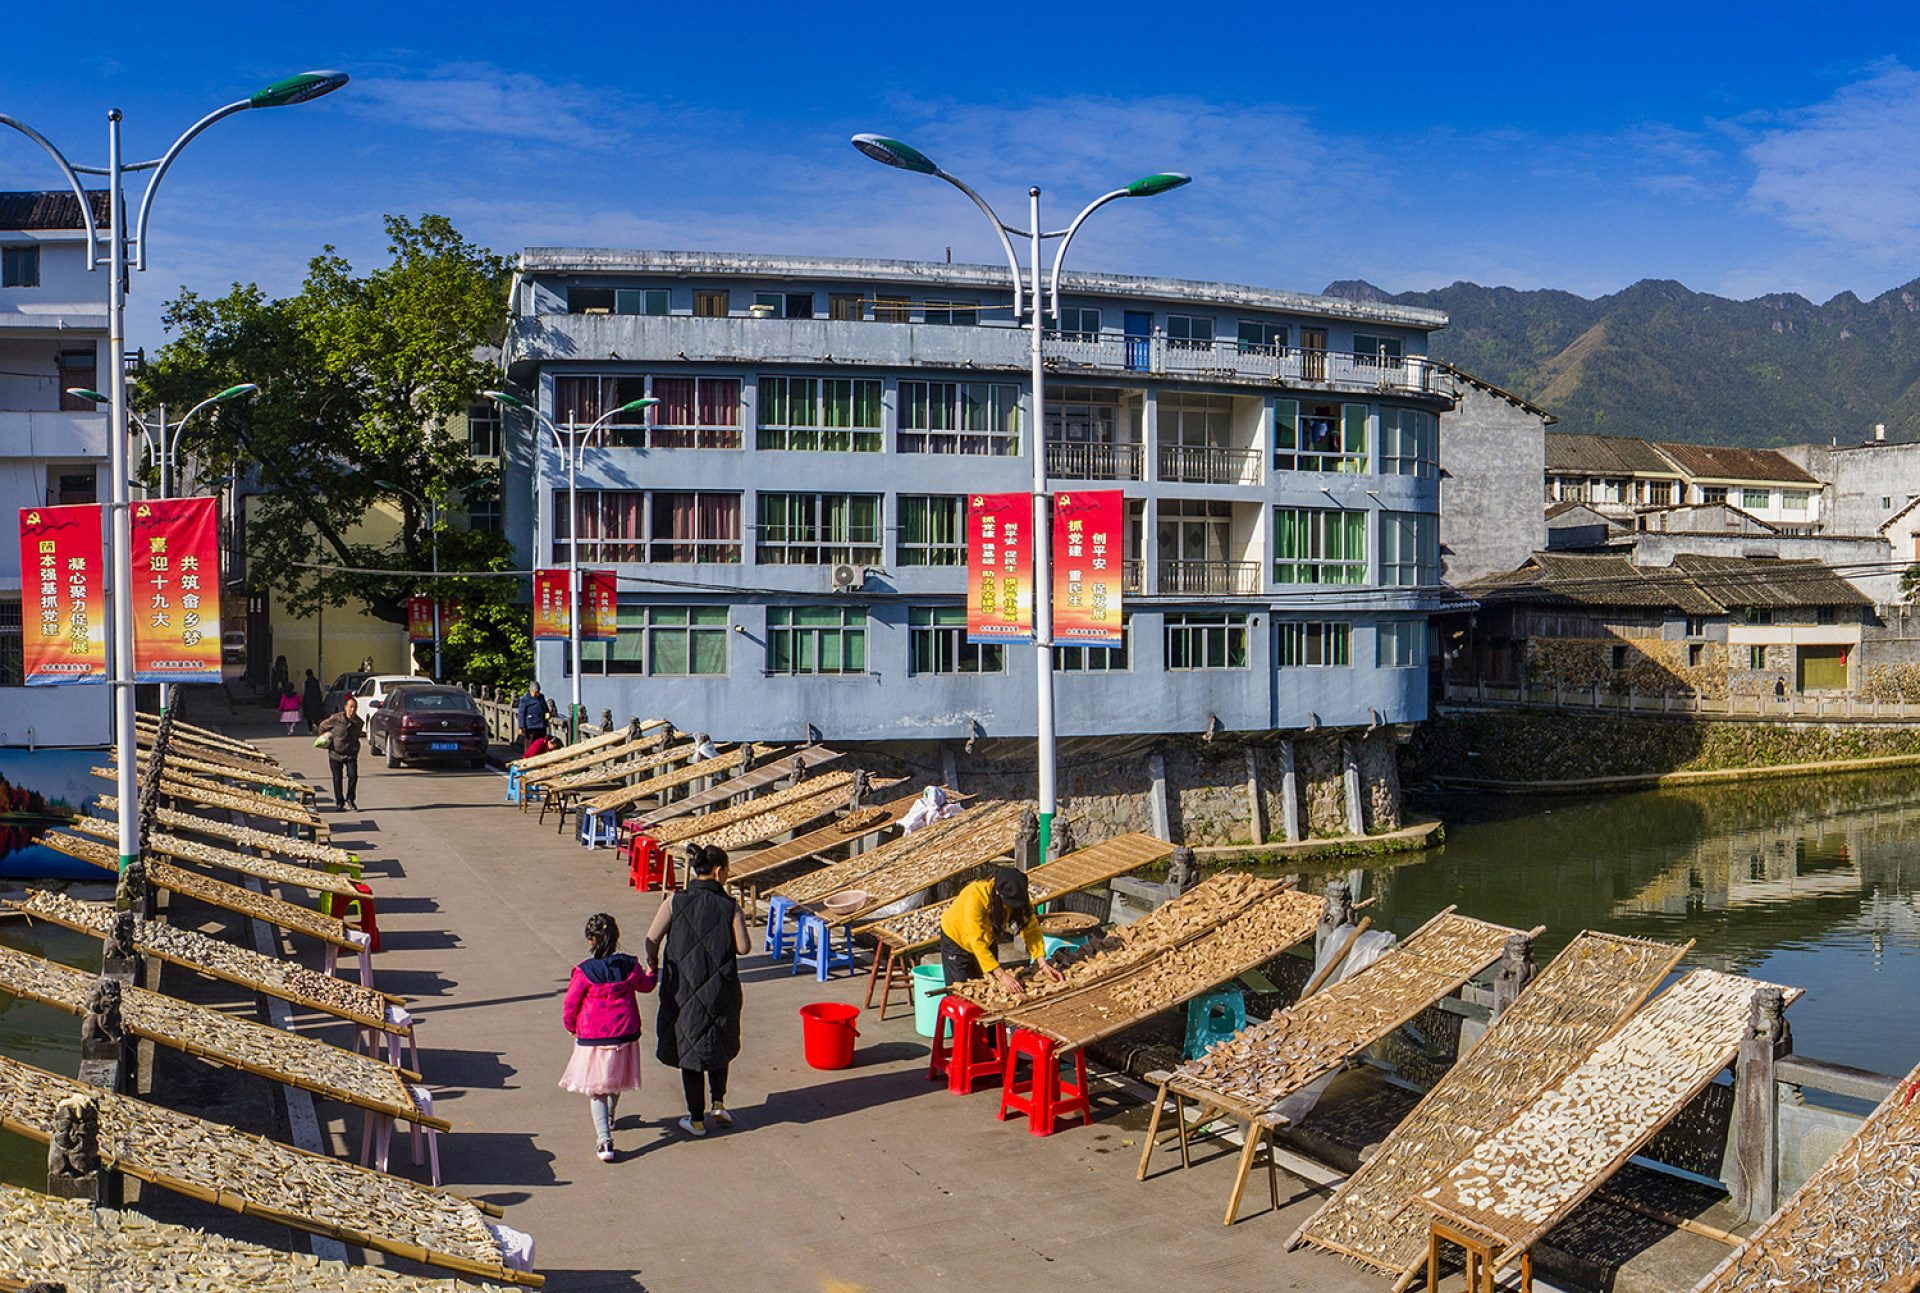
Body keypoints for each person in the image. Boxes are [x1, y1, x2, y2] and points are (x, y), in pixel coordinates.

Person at [647, 844, 749, 1137]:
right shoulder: (730, 906)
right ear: (718, 872)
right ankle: (718, 1102)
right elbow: (743, 947)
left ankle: (696, 1120)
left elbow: (652, 938)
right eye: (727, 871)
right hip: (720, 988)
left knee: (690, 1050)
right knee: (718, 1040)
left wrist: (653, 964)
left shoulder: (674, 901)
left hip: (682, 989)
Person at [560, 912, 655, 1163]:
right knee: (616, 1077)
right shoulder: (629, 964)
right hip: (625, 1033)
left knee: (597, 1090)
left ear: (590, 940)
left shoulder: (584, 971)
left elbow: (571, 1003)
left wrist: (571, 1026)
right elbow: (646, 986)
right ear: (616, 937)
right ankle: (610, 1116)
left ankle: (604, 1139)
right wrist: (653, 969)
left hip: (594, 1037)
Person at [939, 866, 1066, 996]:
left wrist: (1042, 963)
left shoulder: (1018, 895)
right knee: (960, 991)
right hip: (956, 940)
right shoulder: (975, 896)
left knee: (989, 985)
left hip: (988, 938)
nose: (1012, 906)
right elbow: (976, 940)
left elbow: (1030, 929)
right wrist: (1002, 974)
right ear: (998, 893)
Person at [315, 694, 364, 812]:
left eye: (355, 707)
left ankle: (350, 799)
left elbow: (357, 736)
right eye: (350, 707)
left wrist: (355, 748)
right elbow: (322, 726)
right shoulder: (336, 718)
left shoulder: (358, 722)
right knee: (337, 778)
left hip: (350, 754)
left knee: (353, 776)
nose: (352, 710)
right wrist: (325, 740)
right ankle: (339, 802)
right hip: (335, 754)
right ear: (345, 707)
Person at [516, 681, 553, 754]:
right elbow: (521, 713)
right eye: (535, 692)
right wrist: (521, 727)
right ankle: (529, 756)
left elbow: (545, 708)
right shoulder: (525, 699)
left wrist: (547, 713)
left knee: (542, 743)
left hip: (541, 724)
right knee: (530, 744)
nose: (537, 694)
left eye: (538, 692)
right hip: (531, 725)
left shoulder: (541, 697)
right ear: (530, 691)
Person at [300, 669, 324, 735]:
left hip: (308, 701)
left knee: (309, 716)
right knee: (317, 714)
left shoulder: (305, 683)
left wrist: (302, 699)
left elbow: (303, 692)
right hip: (317, 700)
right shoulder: (318, 682)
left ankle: (310, 730)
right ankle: (316, 724)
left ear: (306, 675)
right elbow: (321, 690)